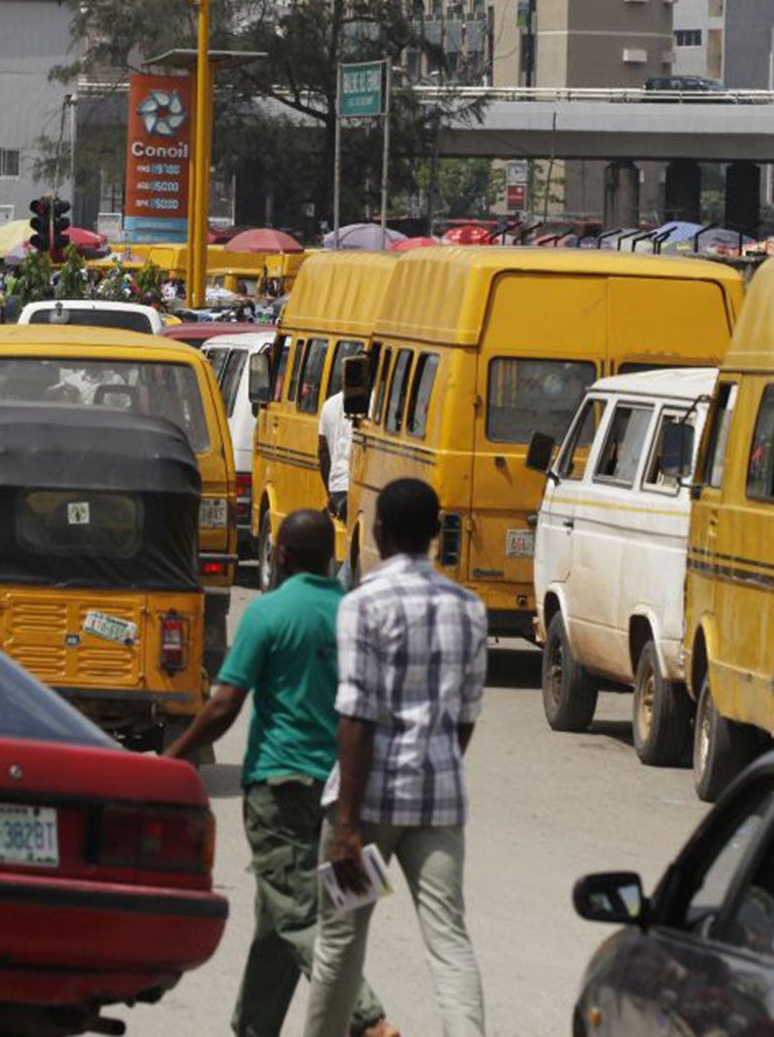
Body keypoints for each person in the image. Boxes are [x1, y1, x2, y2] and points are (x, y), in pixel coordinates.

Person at [164, 512, 397, 1037]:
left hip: (278, 787)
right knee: (305, 916)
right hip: (351, 798)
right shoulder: (358, 616)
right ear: (330, 557)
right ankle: (253, 1027)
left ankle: (370, 1019)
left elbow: (224, 704)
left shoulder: (267, 612)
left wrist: (173, 756)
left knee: (296, 916)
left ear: (283, 556)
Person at [305, 477, 487, 1037]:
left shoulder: (363, 604)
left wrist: (347, 824)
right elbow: (464, 718)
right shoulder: (470, 608)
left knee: (341, 940)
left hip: (370, 808)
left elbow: (357, 717)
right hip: (437, 807)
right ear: (436, 535)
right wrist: (433, 768)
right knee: (449, 940)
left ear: (379, 531)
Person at [316, 357, 370, 527]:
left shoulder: (329, 405)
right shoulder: (375, 404)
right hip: (361, 488)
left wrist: (330, 493)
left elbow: (323, 454)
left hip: (338, 487)